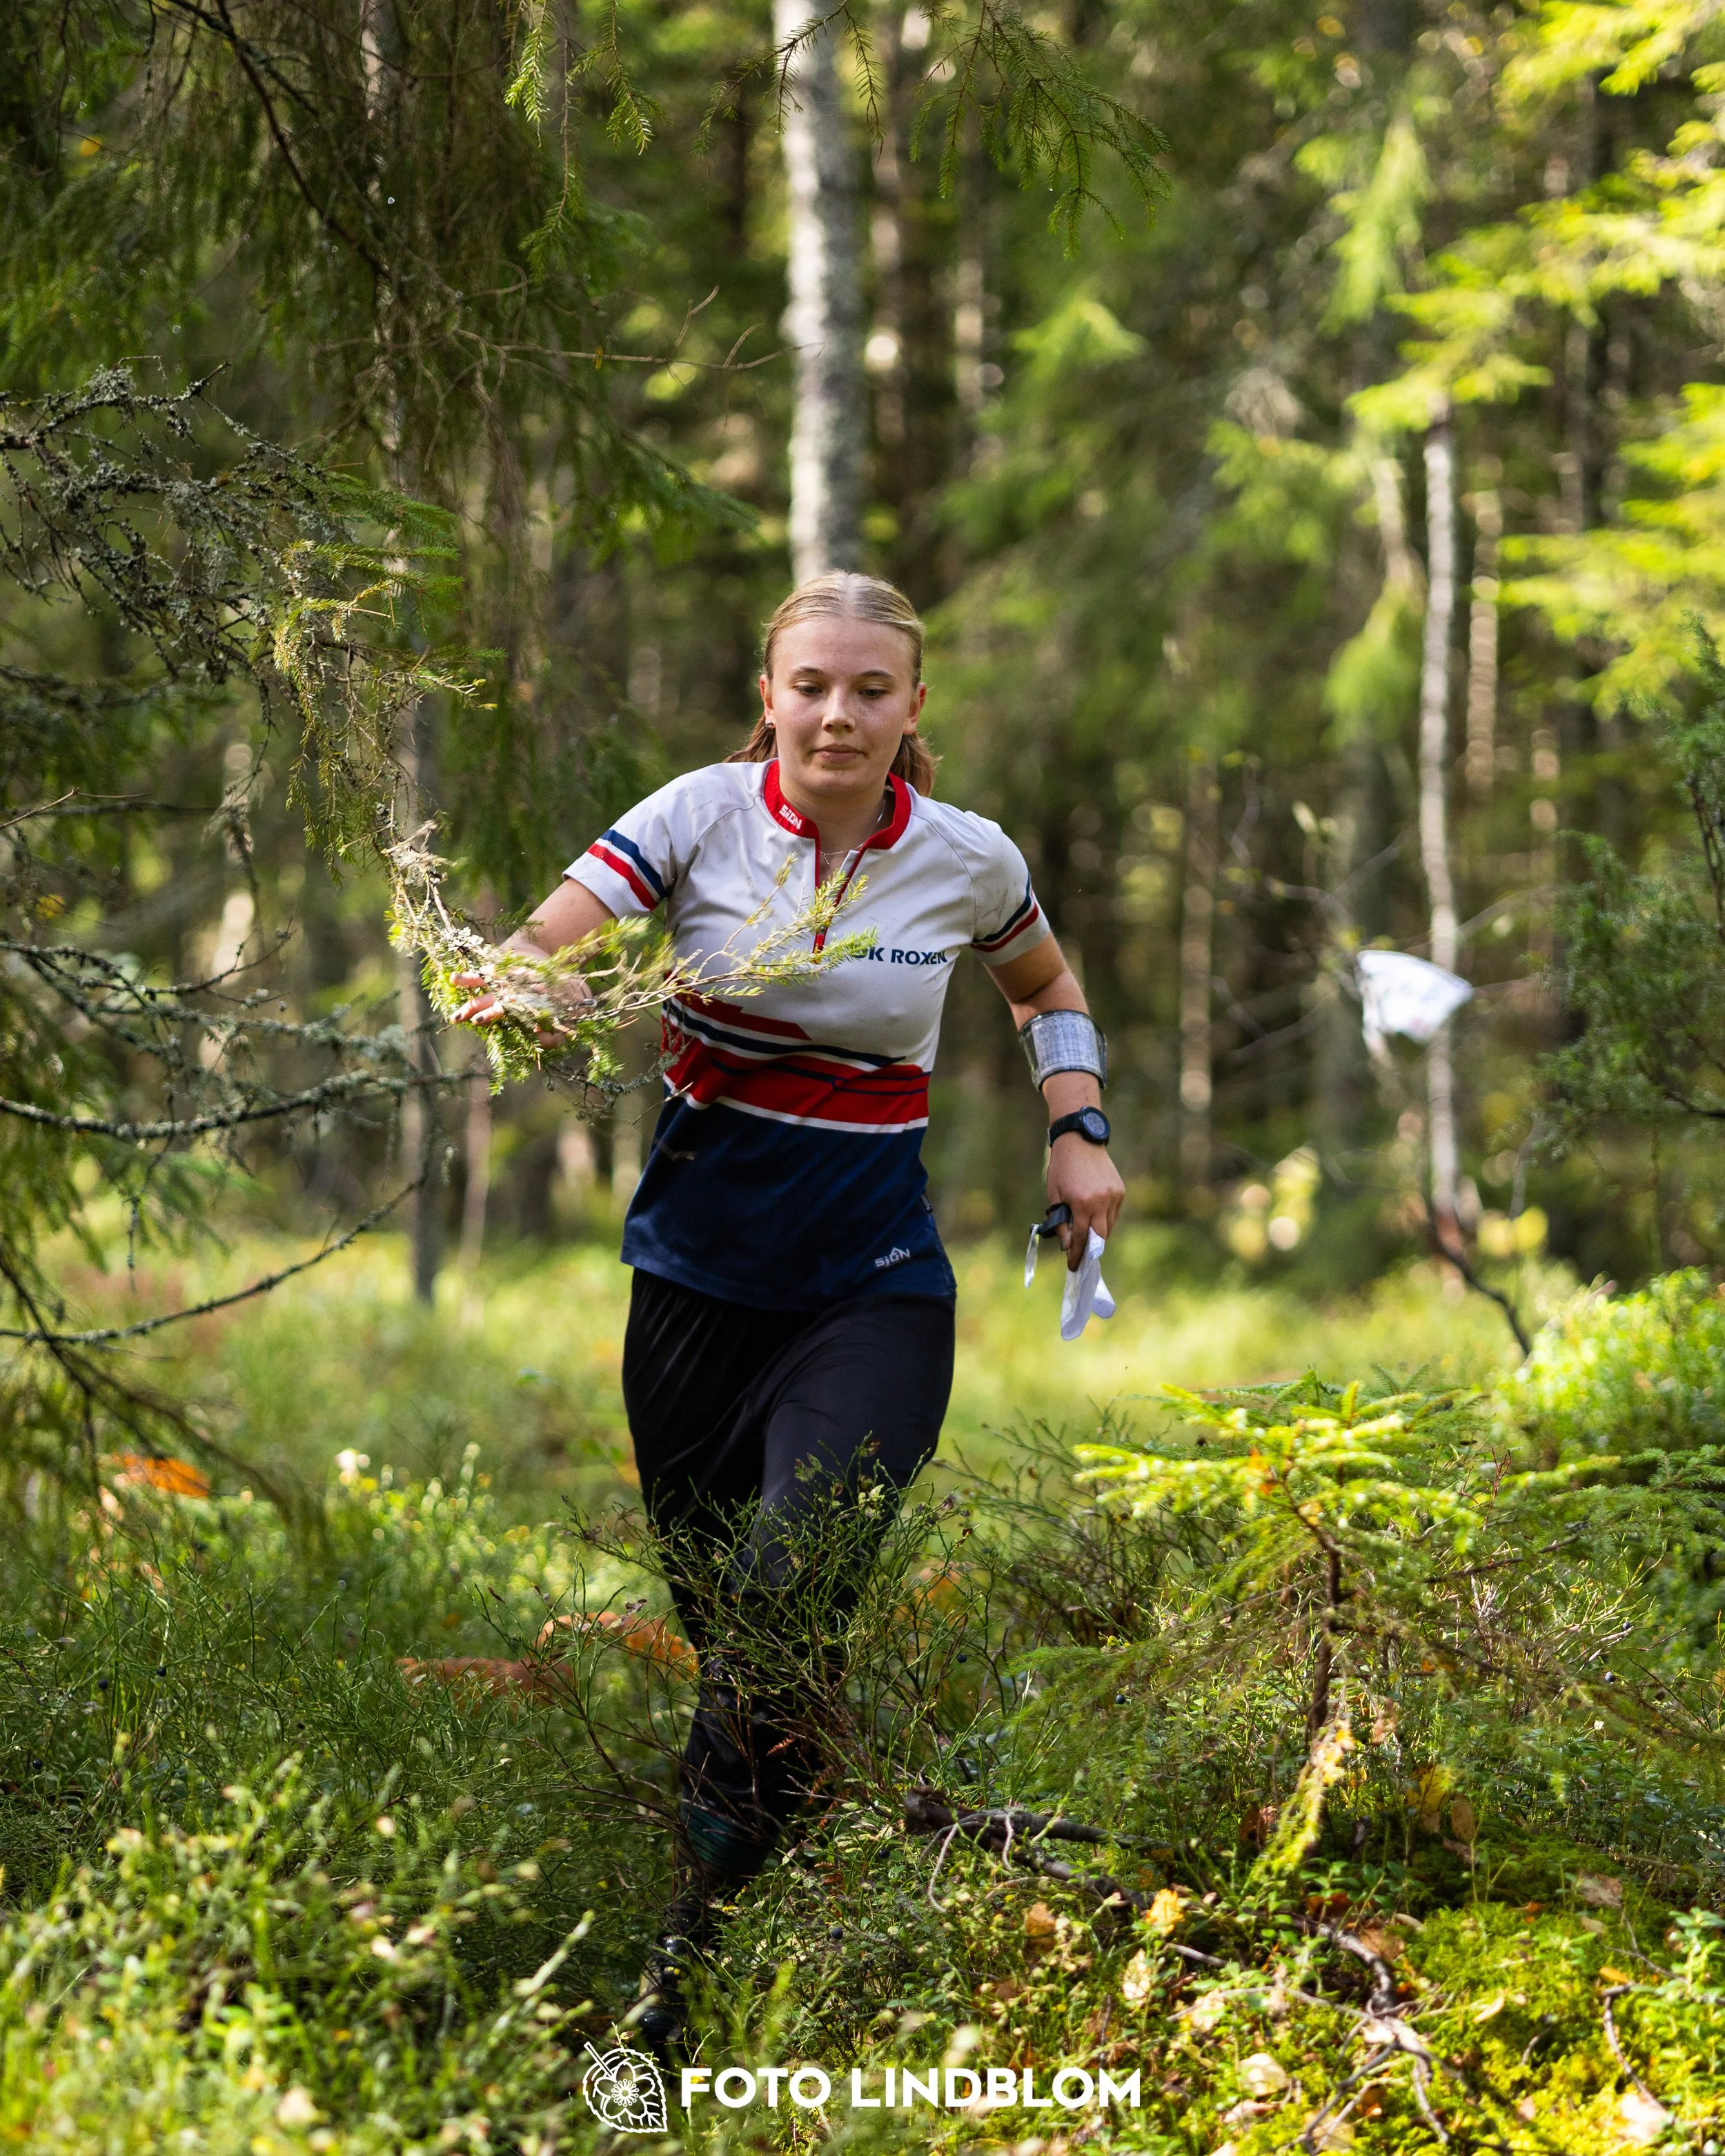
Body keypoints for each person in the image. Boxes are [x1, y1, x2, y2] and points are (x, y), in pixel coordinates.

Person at [455, 571, 1123, 2049]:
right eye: (809, 683)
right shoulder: (697, 814)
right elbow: (551, 931)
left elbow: (1042, 982)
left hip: (872, 1289)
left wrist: (1077, 1125)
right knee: (753, 1643)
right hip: (691, 1287)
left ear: (909, 709)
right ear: (768, 692)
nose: (836, 712)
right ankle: (862, 1844)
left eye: (868, 689)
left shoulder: (962, 856)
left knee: (779, 1581)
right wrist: (517, 982)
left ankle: (675, 1977)